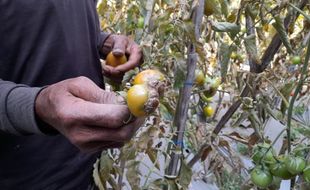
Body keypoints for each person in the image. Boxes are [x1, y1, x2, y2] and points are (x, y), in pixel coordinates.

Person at [0, 0, 143, 189]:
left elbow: (49, 24)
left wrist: (104, 42)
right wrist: (38, 104)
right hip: (27, 175)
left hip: (89, 168)